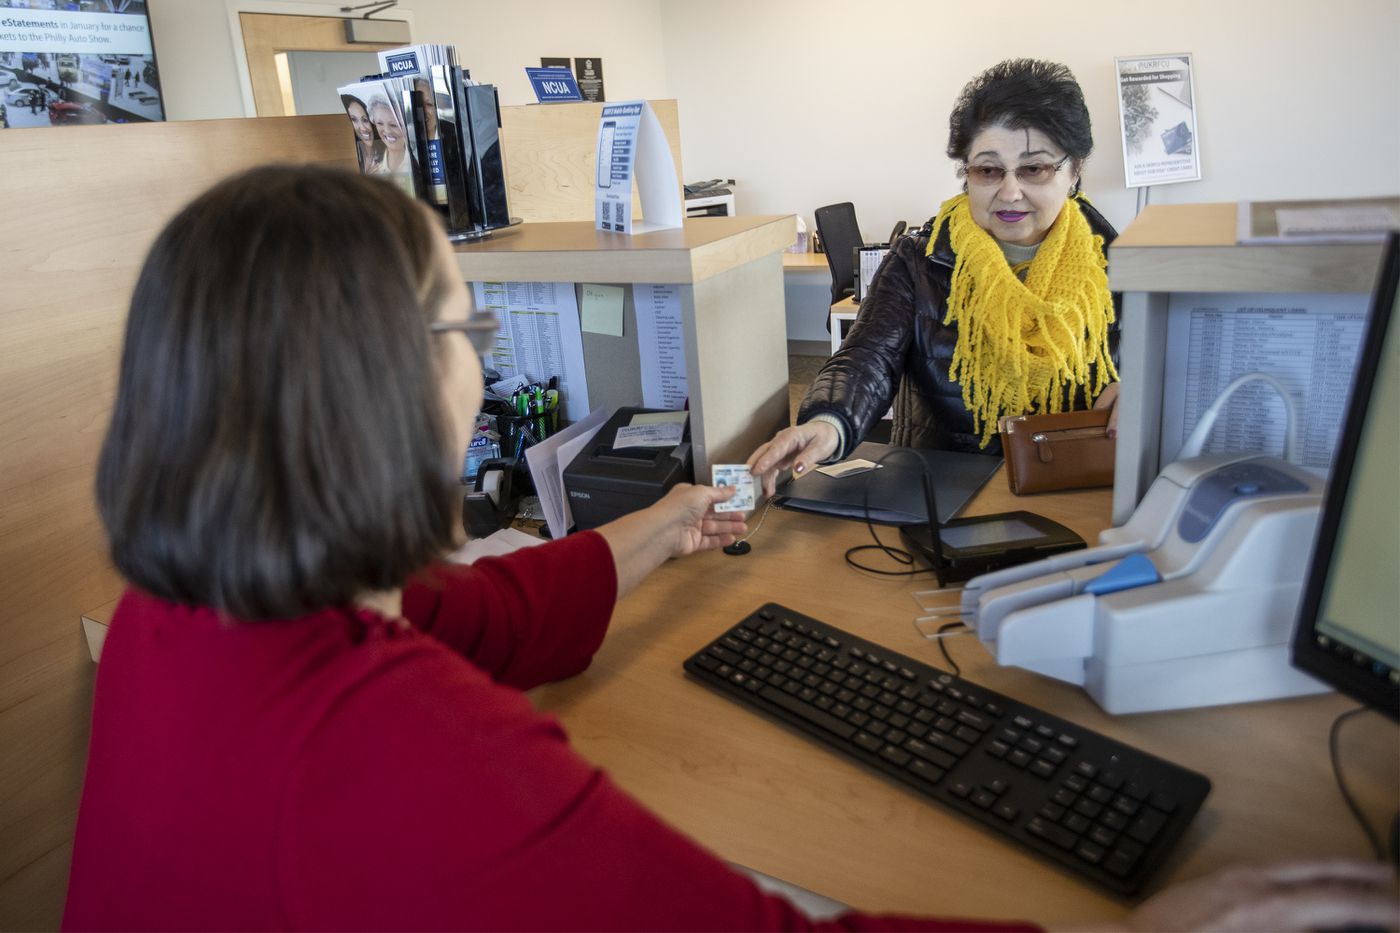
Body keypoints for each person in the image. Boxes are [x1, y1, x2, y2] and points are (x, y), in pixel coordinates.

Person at [63, 167, 1398, 931]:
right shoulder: (401, 756)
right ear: (380, 384)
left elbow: (460, 613)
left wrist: (657, 526)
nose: (1009, 187)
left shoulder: (179, 619)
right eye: (468, 335)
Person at [749, 60, 1123, 498]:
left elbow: (1163, 372)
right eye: (988, 170)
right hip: (945, 492)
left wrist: (1145, 393)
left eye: (1033, 169)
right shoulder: (920, 259)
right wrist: (828, 424)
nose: (1009, 192)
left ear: (1074, 170)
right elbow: (867, 357)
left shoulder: (1121, 265)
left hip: (1080, 493)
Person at [367, 93, 414, 194]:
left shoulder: (418, 163)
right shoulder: (373, 170)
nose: (387, 131)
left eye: (394, 125)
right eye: (379, 124)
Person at [339, 92, 381, 173]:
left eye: (365, 120)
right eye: (354, 120)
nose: (362, 128)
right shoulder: (353, 155)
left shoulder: (386, 152)